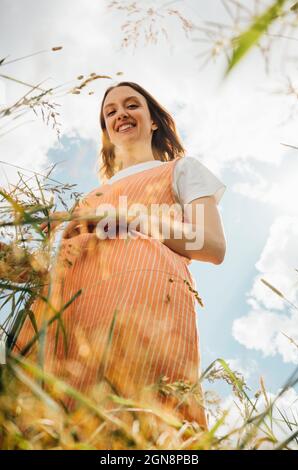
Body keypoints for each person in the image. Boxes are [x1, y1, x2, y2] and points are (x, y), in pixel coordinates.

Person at [10, 81, 227, 432]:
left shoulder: (181, 170)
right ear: (107, 131)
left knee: (139, 413)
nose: (120, 114)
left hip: (145, 299)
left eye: (131, 105)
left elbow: (212, 246)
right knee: (54, 418)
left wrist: (131, 218)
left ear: (153, 120)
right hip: (72, 310)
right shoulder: (91, 196)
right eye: (110, 112)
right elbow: (55, 266)